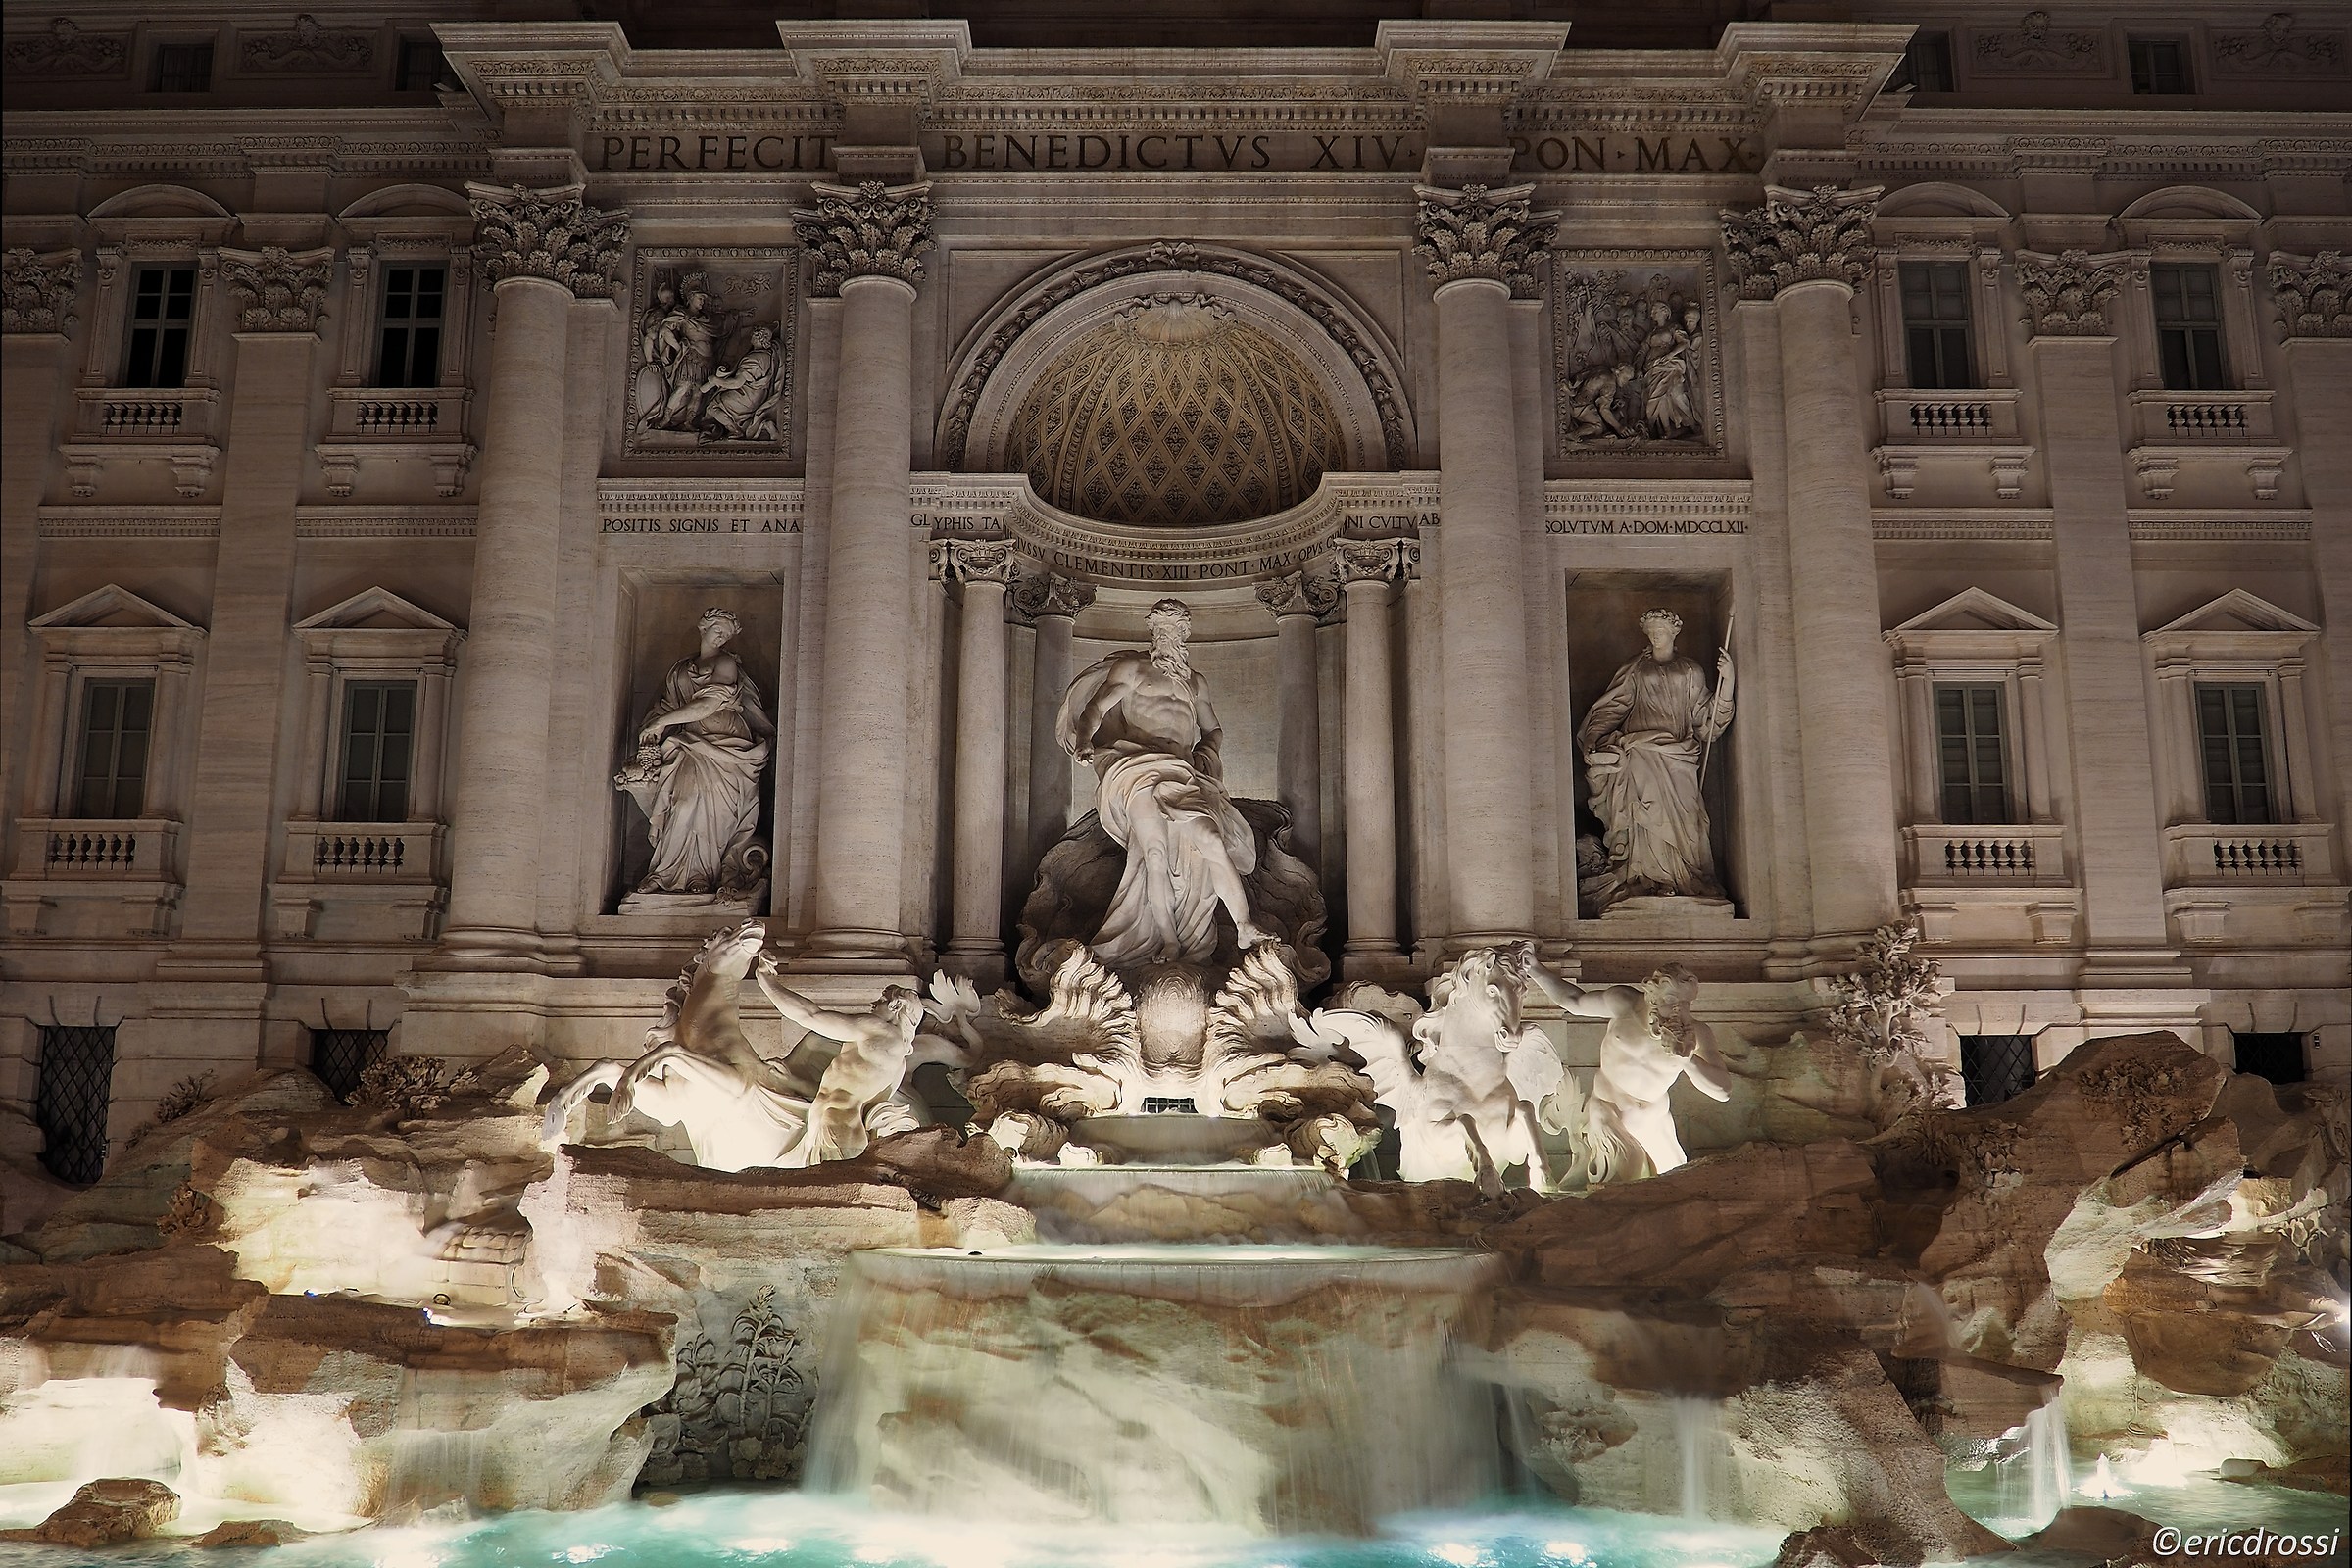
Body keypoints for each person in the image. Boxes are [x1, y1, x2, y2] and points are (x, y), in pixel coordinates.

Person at [1055, 597, 1272, 967]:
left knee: (1211, 839)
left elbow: (1213, 728)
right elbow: (1097, 707)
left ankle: (1244, 924)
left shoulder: (1196, 682)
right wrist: (1086, 739)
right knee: (1153, 855)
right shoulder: (1133, 668)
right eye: (1161, 628)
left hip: (1183, 772)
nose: (1167, 635)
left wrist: (1206, 753)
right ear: (1152, 632)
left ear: (1185, 633)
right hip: (1137, 767)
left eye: (1175, 628)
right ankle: (1169, 943)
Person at [1517, 951, 1734, 1181]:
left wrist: (1687, 1059)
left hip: (1653, 1117)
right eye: (1671, 1000)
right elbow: (1574, 1001)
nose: (1678, 1011)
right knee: (1623, 1176)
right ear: (1652, 995)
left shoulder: (1697, 1034)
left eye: (1686, 1003)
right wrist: (1534, 969)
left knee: (1678, 1179)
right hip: (1608, 1109)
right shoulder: (1623, 1004)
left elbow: (1723, 1092)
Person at [1576, 608, 1733, 911]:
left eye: (1660, 629)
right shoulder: (1636, 669)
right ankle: (1645, 879)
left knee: (1687, 818)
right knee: (1644, 818)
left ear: (1675, 631)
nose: (1655, 635)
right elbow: (1613, 708)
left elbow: (1707, 721)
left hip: (1679, 756)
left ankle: (1686, 879)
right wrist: (1594, 737)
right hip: (1641, 752)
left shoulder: (1691, 671)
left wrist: (1727, 683)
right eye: (1651, 630)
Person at [615, 608, 774, 899]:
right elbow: (666, 707)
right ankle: (665, 875)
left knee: (714, 816)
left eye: (727, 634)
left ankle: (703, 875)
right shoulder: (680, 671)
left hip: (727, 749)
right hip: (689, 744)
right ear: (704, 628)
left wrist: (663, 722)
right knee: (684, 804)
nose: (723, 637)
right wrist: (652, 730)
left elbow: (708, 704)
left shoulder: (727, 663)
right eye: (719, 630)